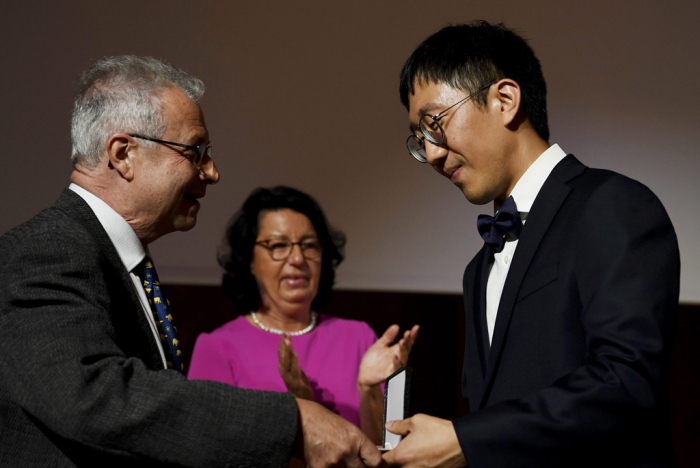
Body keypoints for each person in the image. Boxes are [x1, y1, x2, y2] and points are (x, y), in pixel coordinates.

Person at [0, 55, 382, 468]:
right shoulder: (48, 248)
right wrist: (292, 422)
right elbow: (90, 397)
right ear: (124, 153)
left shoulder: (112, 256)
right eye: (196, 151)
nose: (213, 172)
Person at [382, 22, 680, 468]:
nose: (434, 153)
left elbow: (625, 382)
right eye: (420, 139)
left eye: (435, 124)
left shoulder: (613, 205)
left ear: (505, 100)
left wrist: (466, 440)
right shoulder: (477, 268)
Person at [188, 186, 419, 444]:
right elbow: (209, 450)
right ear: (249, 260)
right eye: (278, 245)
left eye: (309, 245)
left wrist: (369, 392)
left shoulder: (358, 337)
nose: (297, 258)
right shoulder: (217, 348)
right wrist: (299, 409)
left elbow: (387, 451)